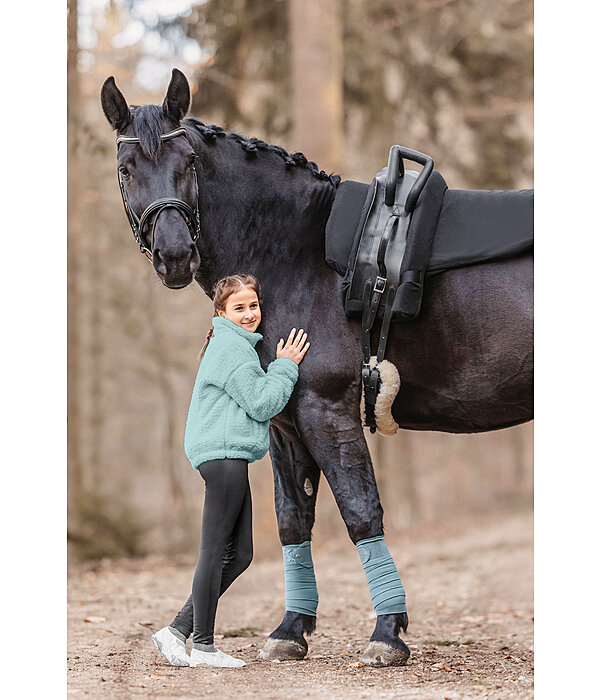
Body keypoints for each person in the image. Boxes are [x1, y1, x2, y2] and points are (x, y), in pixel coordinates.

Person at [152, 273, 310, 669]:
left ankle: (176, 632)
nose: (249, 314)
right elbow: (261, 404)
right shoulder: (231, 349)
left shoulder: (235, 346)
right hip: (222, 457)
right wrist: (286, 366)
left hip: (229, 457)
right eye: (239, 307)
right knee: (214, 552)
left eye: (253, 305)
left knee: (240, 554)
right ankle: (202, 646)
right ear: (221, 312)